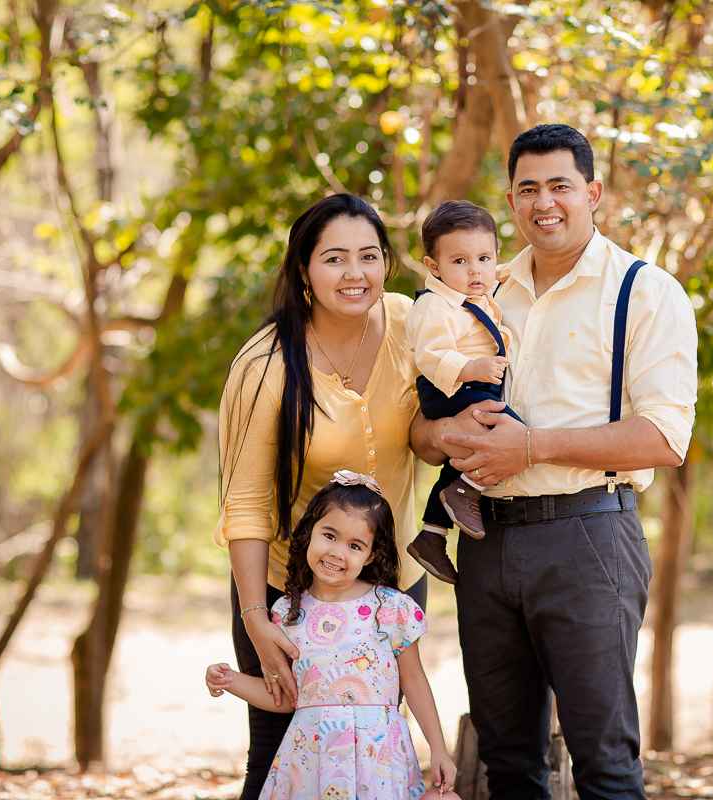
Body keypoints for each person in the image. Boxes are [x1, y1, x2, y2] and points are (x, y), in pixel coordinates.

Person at [412, 124, 699, 799]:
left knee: (604, 762)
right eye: (528, 188)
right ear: (511, 198)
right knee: (507, 764)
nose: (544, 202)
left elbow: (664, 438)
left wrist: (533, 445)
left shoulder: (644, 291)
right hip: (485, 542)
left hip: (588, 539)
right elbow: (420, 435)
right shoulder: (479, 288)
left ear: (592, 193)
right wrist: (447, 431)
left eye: (560, 186)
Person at [216, 194, 431, 799]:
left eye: (369, 256)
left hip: (390, 581)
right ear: (304, 270)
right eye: (334, 258)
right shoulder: (266, 365)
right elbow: (246, 504)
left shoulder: (412, 325)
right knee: (276, 754)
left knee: (373, 754)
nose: (354, 273)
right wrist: (256, 620)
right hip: (289, 593)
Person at [206, 472, 456, 800]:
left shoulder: (391, 608)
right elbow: (287, 697)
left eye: (355, 545)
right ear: (310, 532)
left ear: (370, 555)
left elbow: (414, 681)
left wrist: (438, 748)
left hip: (377, 764)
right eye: (329, 535)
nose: (338, 552)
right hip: (312, 764)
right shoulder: (287, 613)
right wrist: (231, 680)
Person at [404, 200, 523, 585]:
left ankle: (431, 535)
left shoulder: (477, 288)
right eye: (459, 261)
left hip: (472, 383)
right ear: (433, 266)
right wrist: (472, 369)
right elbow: (431, 355)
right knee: (514, 434)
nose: (475, 270)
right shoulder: (435, 306)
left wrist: (504, 269)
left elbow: (496, 271)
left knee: (462, 457)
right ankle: (465, 490)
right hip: (450, 386)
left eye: (484, 258)